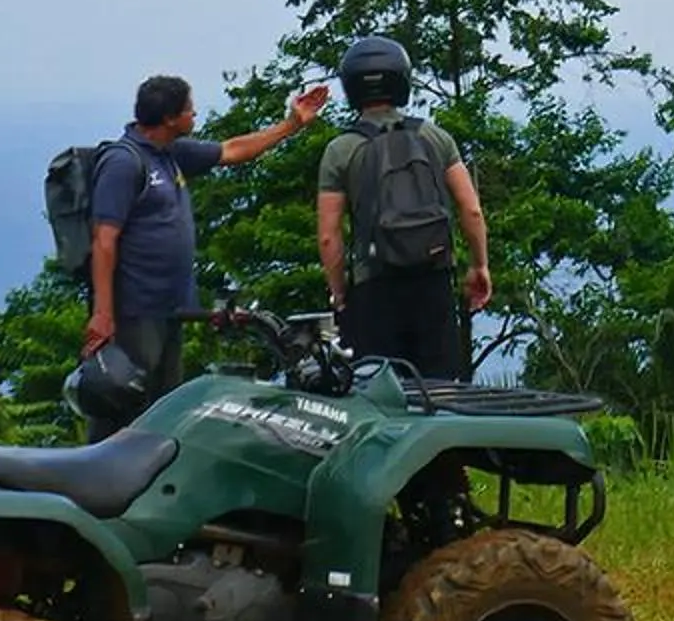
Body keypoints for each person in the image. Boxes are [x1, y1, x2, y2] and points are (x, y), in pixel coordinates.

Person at [83, 72, 330, 436]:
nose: (195, 114)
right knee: (123, 407)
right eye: (189, 109)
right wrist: (103, 314)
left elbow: (233, 149)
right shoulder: (124, 162)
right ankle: (95, 486)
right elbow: (104, 240)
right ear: (169, 118)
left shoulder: (171, 154)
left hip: (170, 309)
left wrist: (292, 124)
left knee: (163, 412)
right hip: (134, 310)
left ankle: (152, 486)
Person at [315, 35, 491, 383]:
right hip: (433, 281)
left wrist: (339, 295)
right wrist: (480, 265)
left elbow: (328, 237)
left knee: (376, 396)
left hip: (374, 288)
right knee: (438, 393)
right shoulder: (436, 138)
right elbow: (471, 211)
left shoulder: (341, 150)